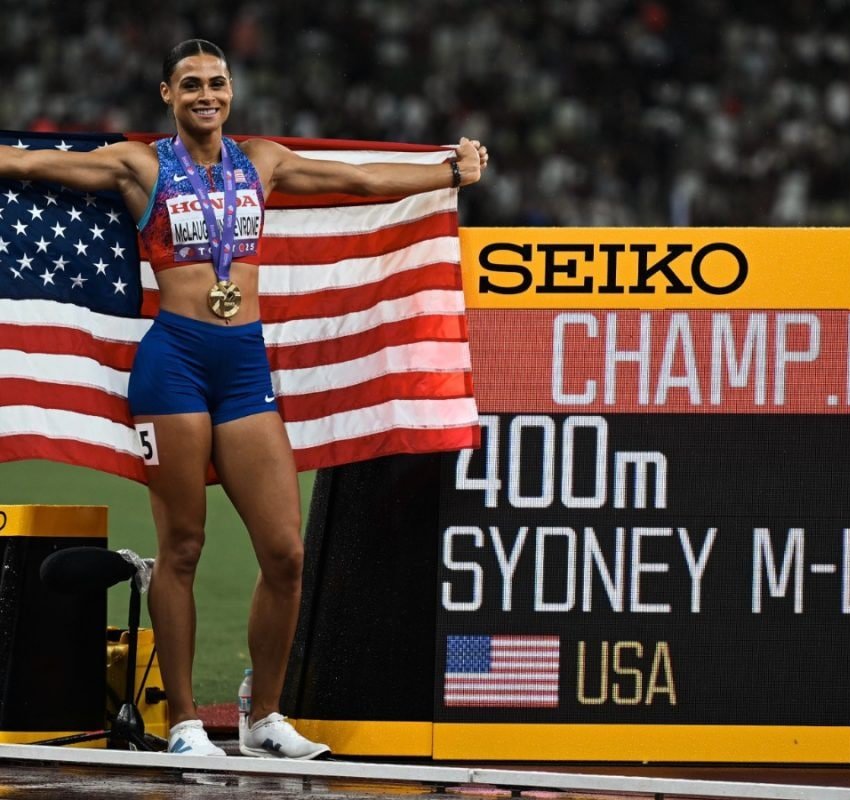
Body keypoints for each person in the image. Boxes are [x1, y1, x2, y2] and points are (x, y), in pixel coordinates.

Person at [0, 38, 488, 758]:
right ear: (166, 94)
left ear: (232, 91)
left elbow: (354, 180)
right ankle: (188, 723)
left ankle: (264, 716)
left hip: (243, 366)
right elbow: (34, 162)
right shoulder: (140, 165)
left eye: (218, 83)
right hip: (173, 365)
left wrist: (448, 169)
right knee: (184, 547)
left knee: (286, 553)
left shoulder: (260, 160)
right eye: (191, 83)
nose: (207, 94)